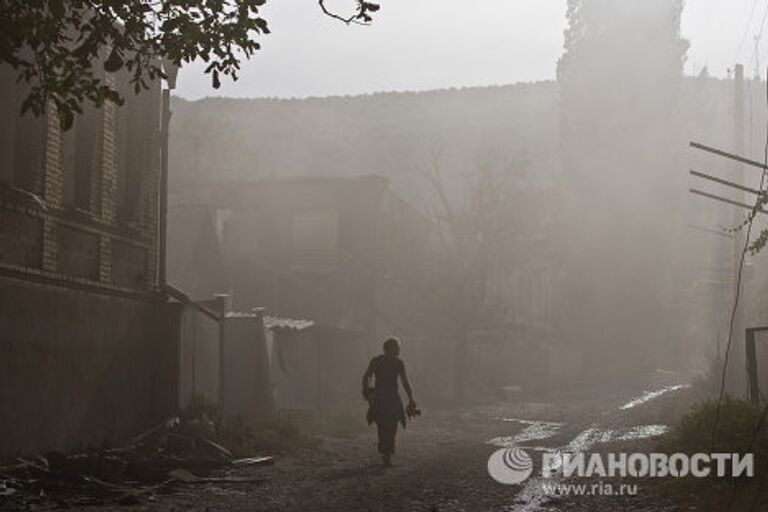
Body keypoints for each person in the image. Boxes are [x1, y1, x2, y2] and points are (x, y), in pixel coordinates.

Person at [361, 337, 417, 467]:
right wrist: (410, 398)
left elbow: (366, 377)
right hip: (389, 397)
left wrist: (367, 391)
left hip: (383, 397)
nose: (399, 349)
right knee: (390, 425)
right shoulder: (395, 362)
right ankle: (386, 454)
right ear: (392, 348)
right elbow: (404, 382)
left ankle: (386, 454)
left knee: (384, 426)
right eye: (397, 347)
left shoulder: (380, 361)